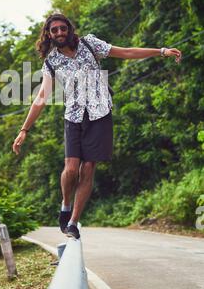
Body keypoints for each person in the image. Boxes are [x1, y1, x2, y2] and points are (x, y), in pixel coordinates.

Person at [12, 13, 182, 239]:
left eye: (63, 28)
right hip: (73, 116)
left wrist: (161, 51)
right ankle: (65, 204)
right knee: (71, 169)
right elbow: (42, 96)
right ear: (49, 34)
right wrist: (24, 130)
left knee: (88, 168)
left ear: (69, 29)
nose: (60, 33)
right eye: (54, 30)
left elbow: (126, 52)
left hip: (100, 113)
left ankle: (73, 221)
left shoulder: (90, 44)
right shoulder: (51, 62)